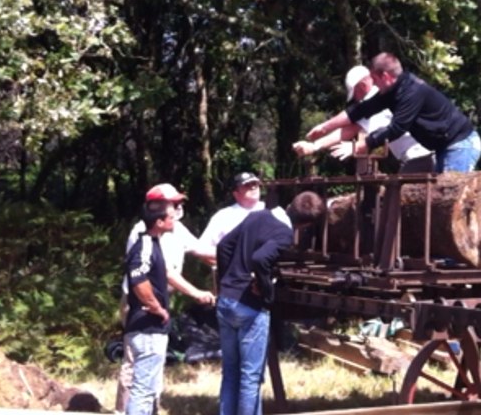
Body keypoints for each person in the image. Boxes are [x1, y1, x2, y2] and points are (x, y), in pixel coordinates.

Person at [216, 190, 325, 415]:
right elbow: (260, 259)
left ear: (290, 206)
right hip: (249, 307)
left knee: (231, 372)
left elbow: (223, 246)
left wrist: (229, 279)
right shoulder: (284, 233)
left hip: (226, 299)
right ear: (304, 226)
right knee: (250, 377)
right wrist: (266, 291)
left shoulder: (256, 215)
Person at [115, 184, 214, 414]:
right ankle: (123, 411)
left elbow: (200, 250)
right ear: (158, 209)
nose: (178, 208)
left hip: (157, 304)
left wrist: (240, 254)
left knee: (152, 371)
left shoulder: (170, 229)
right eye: (174, 203)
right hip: (140, 306)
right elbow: (141, 280)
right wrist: (156, 307)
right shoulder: (143, 235)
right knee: (136, 368)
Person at [304, 52, 481, 172]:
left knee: (450, 197)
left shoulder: (412, 92)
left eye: (375, 79)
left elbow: (397, 128)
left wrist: (357, 147)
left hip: (460, 144)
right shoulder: (391, 92)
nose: (373, 84)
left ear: (386, 77)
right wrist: (324, 127)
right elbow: (359, 110)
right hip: (443, 147)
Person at [292, 65, 435, 173]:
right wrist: (315, 145)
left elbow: (353, 130)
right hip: (416, 156)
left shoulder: (376, 99)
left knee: (400, 201)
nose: (356, 99)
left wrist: (353, 147)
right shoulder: (378, 98)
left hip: (420, 155)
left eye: (356, 94)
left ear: (362, 85)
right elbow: (351, 128)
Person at [122, 199, 176, 415]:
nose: (175, 220)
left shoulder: (155, 244)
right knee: (143, 390)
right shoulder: (144, 245)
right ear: (159, 222)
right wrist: (156, 307)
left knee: (150, 390)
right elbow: (137, 277)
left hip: (151, 330)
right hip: (147, 328)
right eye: (171, 217)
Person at [198, 172, 289, 264]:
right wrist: (229, 261)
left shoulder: (275, 211)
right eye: (246, 185)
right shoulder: (223, 216)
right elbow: (202, 248)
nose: (253, 187)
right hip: (237, 275)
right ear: (236, 193)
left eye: (255, 184)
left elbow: (289, 243)